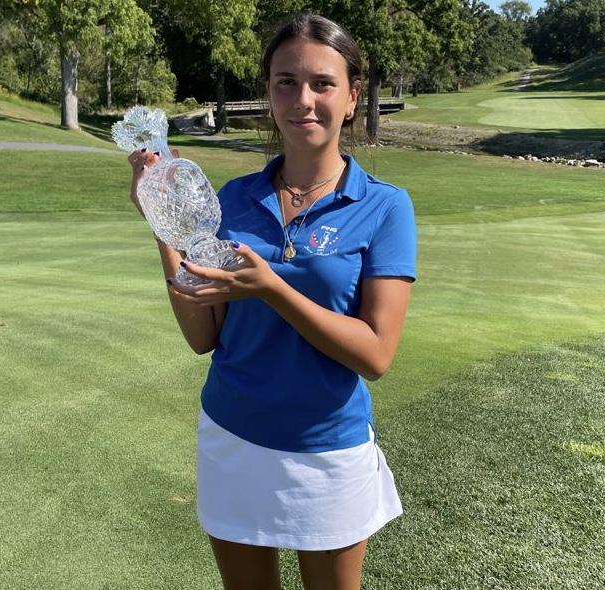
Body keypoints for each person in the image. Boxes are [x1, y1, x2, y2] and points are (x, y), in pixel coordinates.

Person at [127, 13, 416, 590]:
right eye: (285, 81)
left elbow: (376, 355)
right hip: (231, 436)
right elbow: (202, 335)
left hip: (326, 451)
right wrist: (164, 221)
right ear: (268, 92)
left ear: (353, 96)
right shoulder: (232, 198)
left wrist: (274, 289)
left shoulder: (385, 207)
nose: (302, 99)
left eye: (322, 83)